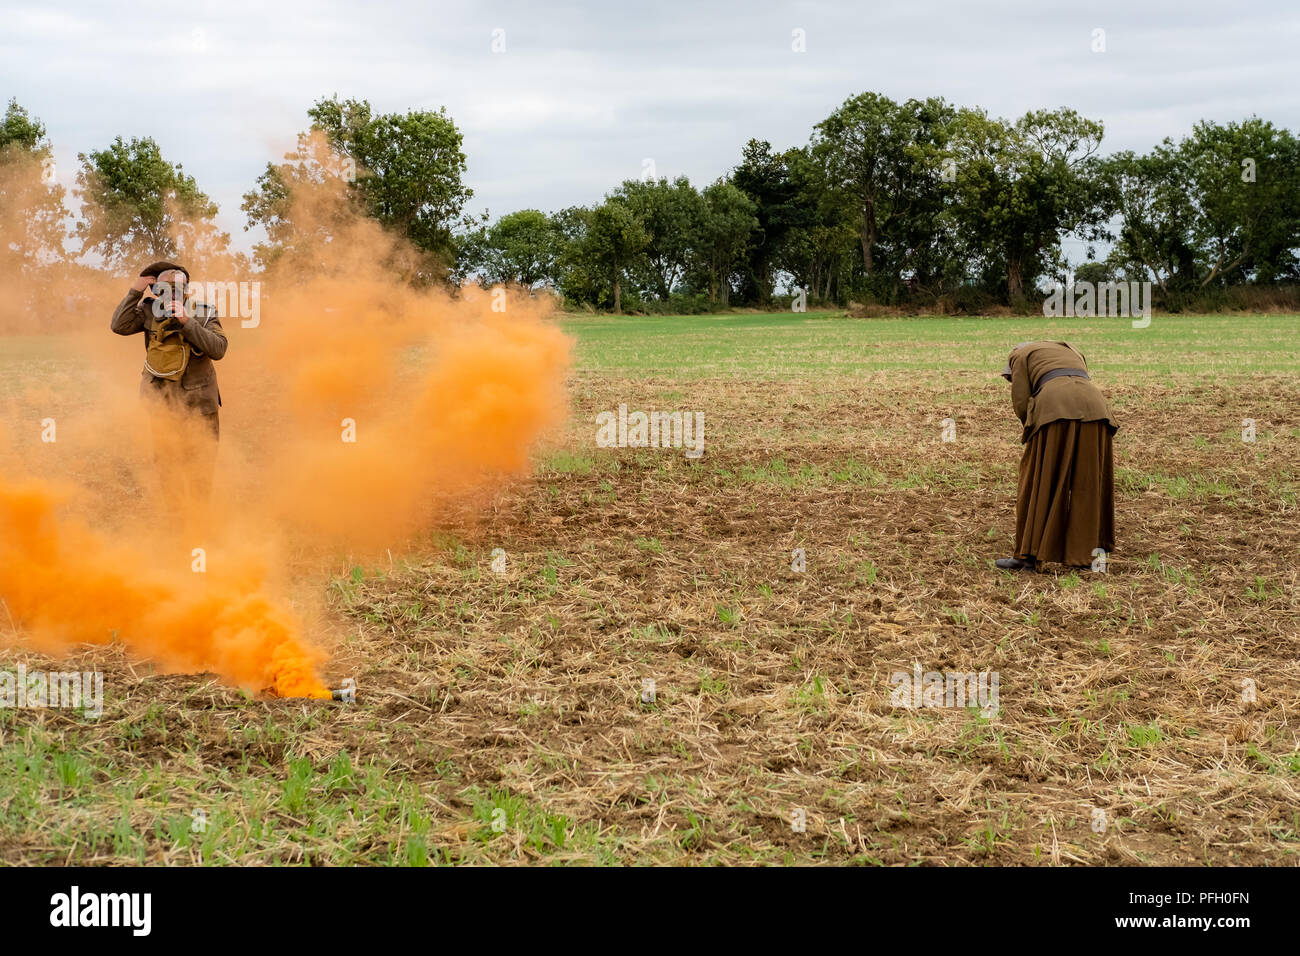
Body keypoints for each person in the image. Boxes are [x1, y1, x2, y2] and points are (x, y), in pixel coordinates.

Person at [110, 261, 227, 511]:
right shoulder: (149, 311)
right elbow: (118, 325)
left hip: (200, 406)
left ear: (187, 291)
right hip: (164, 406)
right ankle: (176, 518)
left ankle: (199, 518)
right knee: (167, 465)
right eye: (164, 287)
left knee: (201, 466)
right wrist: (135, 290)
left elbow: (219, 348)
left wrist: (187, 322)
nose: (171, 293)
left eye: (177, 287)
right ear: (156, 289)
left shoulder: (203, 312)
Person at [996, 341, 1118, 572]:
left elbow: (1021, 398)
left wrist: (1030, 429)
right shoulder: (1072, 349)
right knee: (1088, 483)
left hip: (1054, 406)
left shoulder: (1020, 355)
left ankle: (1028, 556)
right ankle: (1087, 555)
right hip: (1097, 406)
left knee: (1038, 481)